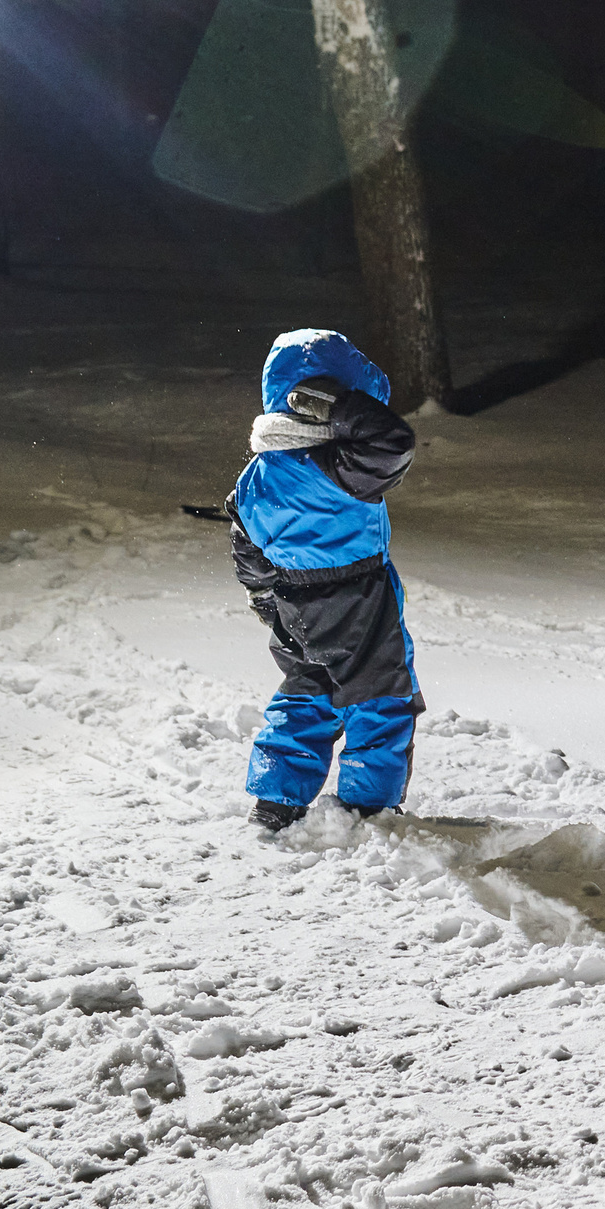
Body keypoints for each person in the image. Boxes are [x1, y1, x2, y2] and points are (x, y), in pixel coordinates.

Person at [228, 329, 424, 832]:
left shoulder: (257, 475)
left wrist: (266, 600)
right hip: (360, 602)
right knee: (380, 696)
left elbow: (247, 546)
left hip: (295, 604)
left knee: (307, 691)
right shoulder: (339, 467)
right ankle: (369, 803)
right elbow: (394, 441)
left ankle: (276, 797)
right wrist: (342, 408)